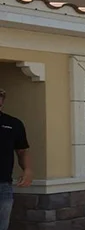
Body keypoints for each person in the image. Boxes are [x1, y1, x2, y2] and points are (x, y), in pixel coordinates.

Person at [0, 89, 32, 230]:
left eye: (0, 96)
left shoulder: (13, 124)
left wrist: (27, 170)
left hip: (4, 186)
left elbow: (22, 151)